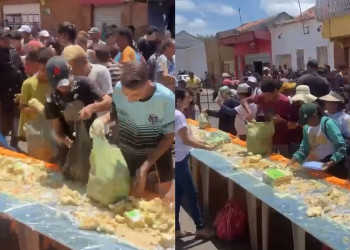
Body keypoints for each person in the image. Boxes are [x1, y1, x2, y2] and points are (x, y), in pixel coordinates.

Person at [93, 61, 175, 197]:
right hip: (128, 154)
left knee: (162, 205)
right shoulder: (119, 89)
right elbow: (114, 114)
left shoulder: (166, 99)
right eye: (126, 94)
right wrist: (103, 120)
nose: (129, 100)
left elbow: (168, 137)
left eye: (135, 95)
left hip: (157, 158)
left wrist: (145, 167)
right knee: (128, 200)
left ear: (148, 84)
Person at [44, 56, 112, 166]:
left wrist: (92, 107)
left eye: (65, 83)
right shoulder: (52, 100)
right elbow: (58, 131)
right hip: (68, 147)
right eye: (59, 85)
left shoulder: (84, 84)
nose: (64, 87)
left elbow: (109, 102)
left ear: (70, 73)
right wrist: (71, 145)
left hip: (92, 140)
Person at [174, 88, 215, 238]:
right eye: (187, 98)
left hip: (178, 158)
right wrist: (206, 147)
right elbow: (185, 140)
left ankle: (176, 229)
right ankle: (200, 227)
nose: (190, 100)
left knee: (178, 195)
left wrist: (200, 141)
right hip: (180, 160)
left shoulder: (174, 114)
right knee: (192, 193)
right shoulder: (178, 116)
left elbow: (185, 138)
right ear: (178, 100)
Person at [288, 103, 347, 179]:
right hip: (318, 164)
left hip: (335, 165)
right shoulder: (306, 128)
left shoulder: (327, 124)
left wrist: (332, 161)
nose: (305, 123)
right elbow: (304, 148)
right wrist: (293, 160)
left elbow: (341, 146)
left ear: (314, 116)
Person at [18, 48, 54, 156]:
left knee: (50, 157)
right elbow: (22, 106)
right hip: (33, 129)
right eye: (43, 71)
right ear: (38, 67)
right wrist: (30, 109)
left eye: (49, 72)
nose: (46, 74)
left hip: (50, 127)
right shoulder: (28, 84)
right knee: (35, 157)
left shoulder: (55, 84)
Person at [0, 29, 27, 150]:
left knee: (17, 119)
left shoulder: (13, 52)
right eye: (4, 38)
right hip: (3, 94)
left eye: (8, 38)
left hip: (16, 92)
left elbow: (21, 69)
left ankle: (15, 144)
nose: (6, 40)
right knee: (5, 122)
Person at [254, 80, 291, 156]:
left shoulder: (285, 101)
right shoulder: (261, 98)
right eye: (264, 95)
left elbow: (291, 122)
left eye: (268, 95)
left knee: (285, 160)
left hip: (283, 138)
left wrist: (281, 121)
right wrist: (249, 112)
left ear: (275, 91)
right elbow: (245, 100)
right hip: (268, 137)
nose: (266, 98)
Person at [288, 85, 317, 154]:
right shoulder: (293, 107)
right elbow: (289, 125)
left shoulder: (314, 107)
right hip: (297, 141)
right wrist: (299, 123)